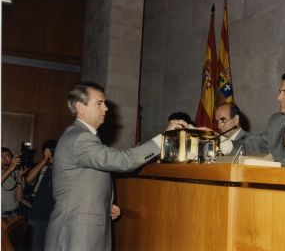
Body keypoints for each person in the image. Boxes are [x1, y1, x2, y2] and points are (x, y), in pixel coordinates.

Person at [44, 81, 187, 251]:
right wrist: (164, 138)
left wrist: (104, 205)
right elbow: (124, 161)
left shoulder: (80, 136)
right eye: (99, 103)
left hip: (82, 227)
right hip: (77, 232)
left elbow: (81, 182)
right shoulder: (80, 138)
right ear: (80, 107)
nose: (106, 108)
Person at [25, 140, 57, 251]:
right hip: (37, 216)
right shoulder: (41, 167)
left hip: (55, 218)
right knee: (36, 247)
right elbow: (28, 179)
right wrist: (45, 160)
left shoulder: (64, 168)